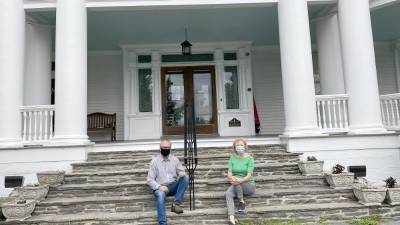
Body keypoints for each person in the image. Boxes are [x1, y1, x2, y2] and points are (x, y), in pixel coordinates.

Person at [147, 139, 189, 225]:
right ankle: (163, 223)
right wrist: (159, 187)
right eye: (163, 147)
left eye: (167, 147)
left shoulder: (175, 159)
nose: (165, 149)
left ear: (170, 148)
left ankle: (175, 204)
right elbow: (149, 180)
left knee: (186, 177)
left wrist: (181, 173)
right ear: (160, 148)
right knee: (160, 195)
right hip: (161, 187)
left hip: (173, 186)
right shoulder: (154, 161)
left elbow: (181, 171)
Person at [225, 138, 256, 225]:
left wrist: (238, 180)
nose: (239, 147)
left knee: (236, 181)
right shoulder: (232, 158)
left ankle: (241, 200)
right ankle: (232, 219)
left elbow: (249, 175)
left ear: (245, 146)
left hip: (248, 185)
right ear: (234, 147)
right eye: (237, 145)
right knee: (228, 194)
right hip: (236, 183)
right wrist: (231, 178)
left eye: (241, 145)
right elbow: (229, 172)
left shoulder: (250, 158)